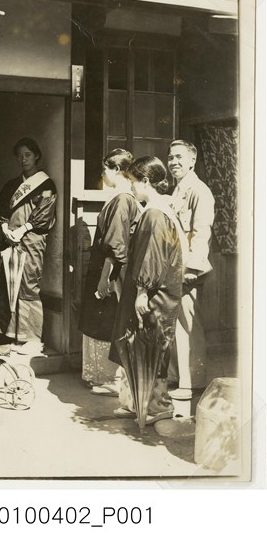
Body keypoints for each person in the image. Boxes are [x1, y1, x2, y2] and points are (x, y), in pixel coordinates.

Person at [109, 156, 186, 425]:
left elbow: (154, 255)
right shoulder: (156, 210)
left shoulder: (155, 213)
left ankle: (159, 405)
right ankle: (138, 402)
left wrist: (142, 290)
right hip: (151, 289)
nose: (131, 186)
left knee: (152, 346)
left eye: (133, 181)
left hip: (155, 293)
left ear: (145, 181)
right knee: (139, 344)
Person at [78, 149, 140, 398]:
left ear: (117, 170)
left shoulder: (123, 199)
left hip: (111, 270)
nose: (103, 173)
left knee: (107, 321)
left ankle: (111, 379)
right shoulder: (119, 198)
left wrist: (105, 278)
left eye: (106, 168)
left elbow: (116, 245)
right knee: (101, 319)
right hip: (106, 267)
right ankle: (103, 376)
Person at [0, 137, 57, 356]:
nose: (23, 159)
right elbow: (1, 209)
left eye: (27, 155)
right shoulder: (12, 185)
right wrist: (5, 228)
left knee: (28, 286)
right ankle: (13, 336)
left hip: (31, 241)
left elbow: (45, 213)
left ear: (36, 155)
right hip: (9, 240)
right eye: (20, 156)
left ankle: (32, 339)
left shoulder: (46, 185)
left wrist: (22, 230)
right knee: (9, 284)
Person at [166, 140, 215, 399]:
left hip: (188, 269)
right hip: (174, 267)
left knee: (188, 324)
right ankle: (177, 377)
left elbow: (201, 232)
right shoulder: (177, 190)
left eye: (179, 157)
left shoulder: (199, 191)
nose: (173, 162)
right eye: (170, 157)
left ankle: (192, 383)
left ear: (192, 161)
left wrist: (193, 268)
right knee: (176, 324)